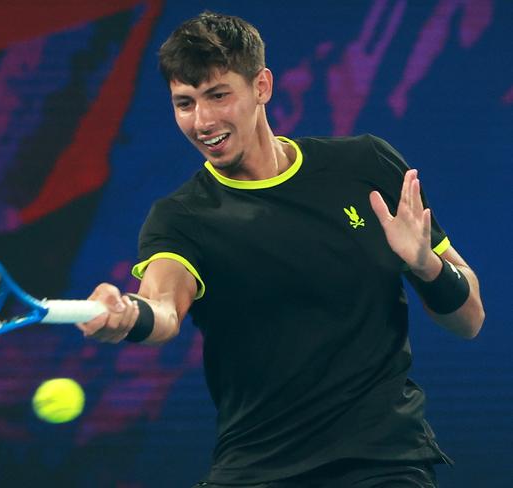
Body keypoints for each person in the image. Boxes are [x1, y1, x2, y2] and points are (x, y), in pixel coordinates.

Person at [77, 11, 485, 488]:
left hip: (382, 463)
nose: (202, 121)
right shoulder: (182, 217)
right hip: (256, 469)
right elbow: (163, 308)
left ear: (262, 86)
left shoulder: (366, 165)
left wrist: (426, 265)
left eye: (218, 95)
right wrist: (130, 315)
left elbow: (470, 318)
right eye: (184, 103)